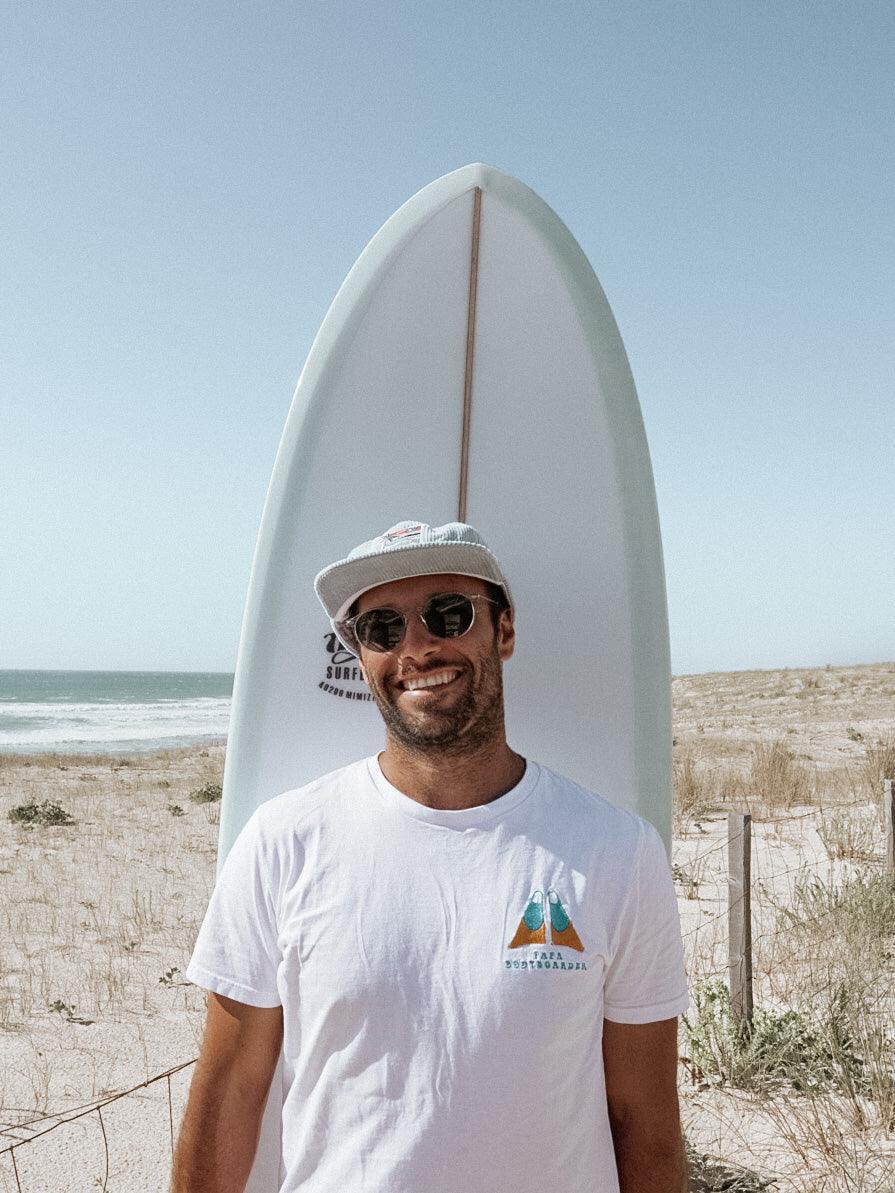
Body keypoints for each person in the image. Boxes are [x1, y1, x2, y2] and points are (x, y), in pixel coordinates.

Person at [173, 520, 689, 1193]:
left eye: (447, 613)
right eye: (381, 628)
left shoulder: (616, 851)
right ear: (361, 656)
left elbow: (643, 1120)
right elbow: (229, 1093)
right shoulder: (283, 842)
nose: (415, 646)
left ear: (503, 630)